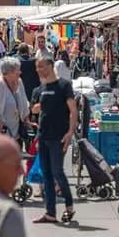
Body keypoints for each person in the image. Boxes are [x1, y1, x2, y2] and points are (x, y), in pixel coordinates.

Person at [32, 55, 77, 225]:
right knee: (47, 174)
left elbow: (73, 110)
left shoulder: (64, 86)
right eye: (37, 67)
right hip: (43, 136)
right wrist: (39, 106)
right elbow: (34, 110)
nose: (39, 69)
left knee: (58, 171)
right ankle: (50, 212)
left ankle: (69, 206)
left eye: (41, 66)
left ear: (51, 66)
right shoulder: (40, 89)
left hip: (59, 136)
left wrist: (70, 133)